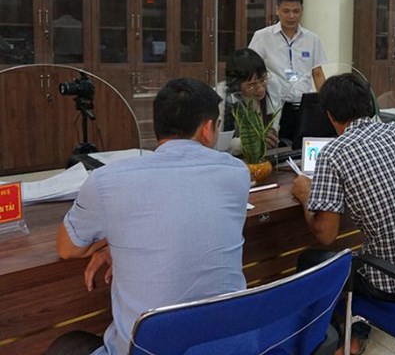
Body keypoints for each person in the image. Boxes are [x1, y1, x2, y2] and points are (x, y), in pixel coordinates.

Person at [47, 78, 250, 355]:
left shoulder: (106, 180)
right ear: (207, 129)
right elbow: (188, 222)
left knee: (66, 345)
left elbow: (67, 248)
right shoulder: (236, 173)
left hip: (145, 349)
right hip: (229, 346)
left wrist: (116, 242)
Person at [291, 73, 395, 353]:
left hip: (391, 286)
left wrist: (304, 195)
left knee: (310, 261)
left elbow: (326, 235)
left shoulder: (334, 153)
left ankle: (333, 340)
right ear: (369, 104)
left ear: (330, 116)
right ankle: (356, 331)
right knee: (359, 253)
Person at [248, 0, 327, 142]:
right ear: (277, 10)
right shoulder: (262, 37)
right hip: (275, 108)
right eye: (286, 11)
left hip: (304, 107)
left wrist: (326, 104)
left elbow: (317, 73)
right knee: (276, 147)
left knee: (302, 146)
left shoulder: (312, 39)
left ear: (302, 10)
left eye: (296, 11)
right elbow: (251, 71)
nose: (291, 16)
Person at [216, 48, 280, 154]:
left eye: (263, 80)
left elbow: (275, 124)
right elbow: (217, 144)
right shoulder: (221, 97)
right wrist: (250, 142)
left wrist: (271, 135)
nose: (260, 89)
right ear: (236, 84)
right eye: (251, 85)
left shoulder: (272, 87)